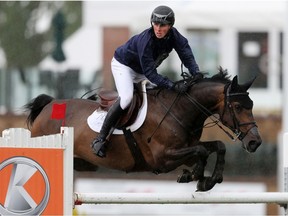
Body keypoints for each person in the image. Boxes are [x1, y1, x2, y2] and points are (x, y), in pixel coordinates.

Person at [91, 5, 200, 158]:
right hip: (124, 66)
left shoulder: (175, 37)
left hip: (142, 71)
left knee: (162, 96)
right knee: (127, 97)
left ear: (170, 26)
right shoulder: (146, 40)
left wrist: (196, 73)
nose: (158, 28)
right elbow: (151, 74)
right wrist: (173, 85)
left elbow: (186, 55)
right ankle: (100, 138)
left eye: (162, 25)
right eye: (155, 24)